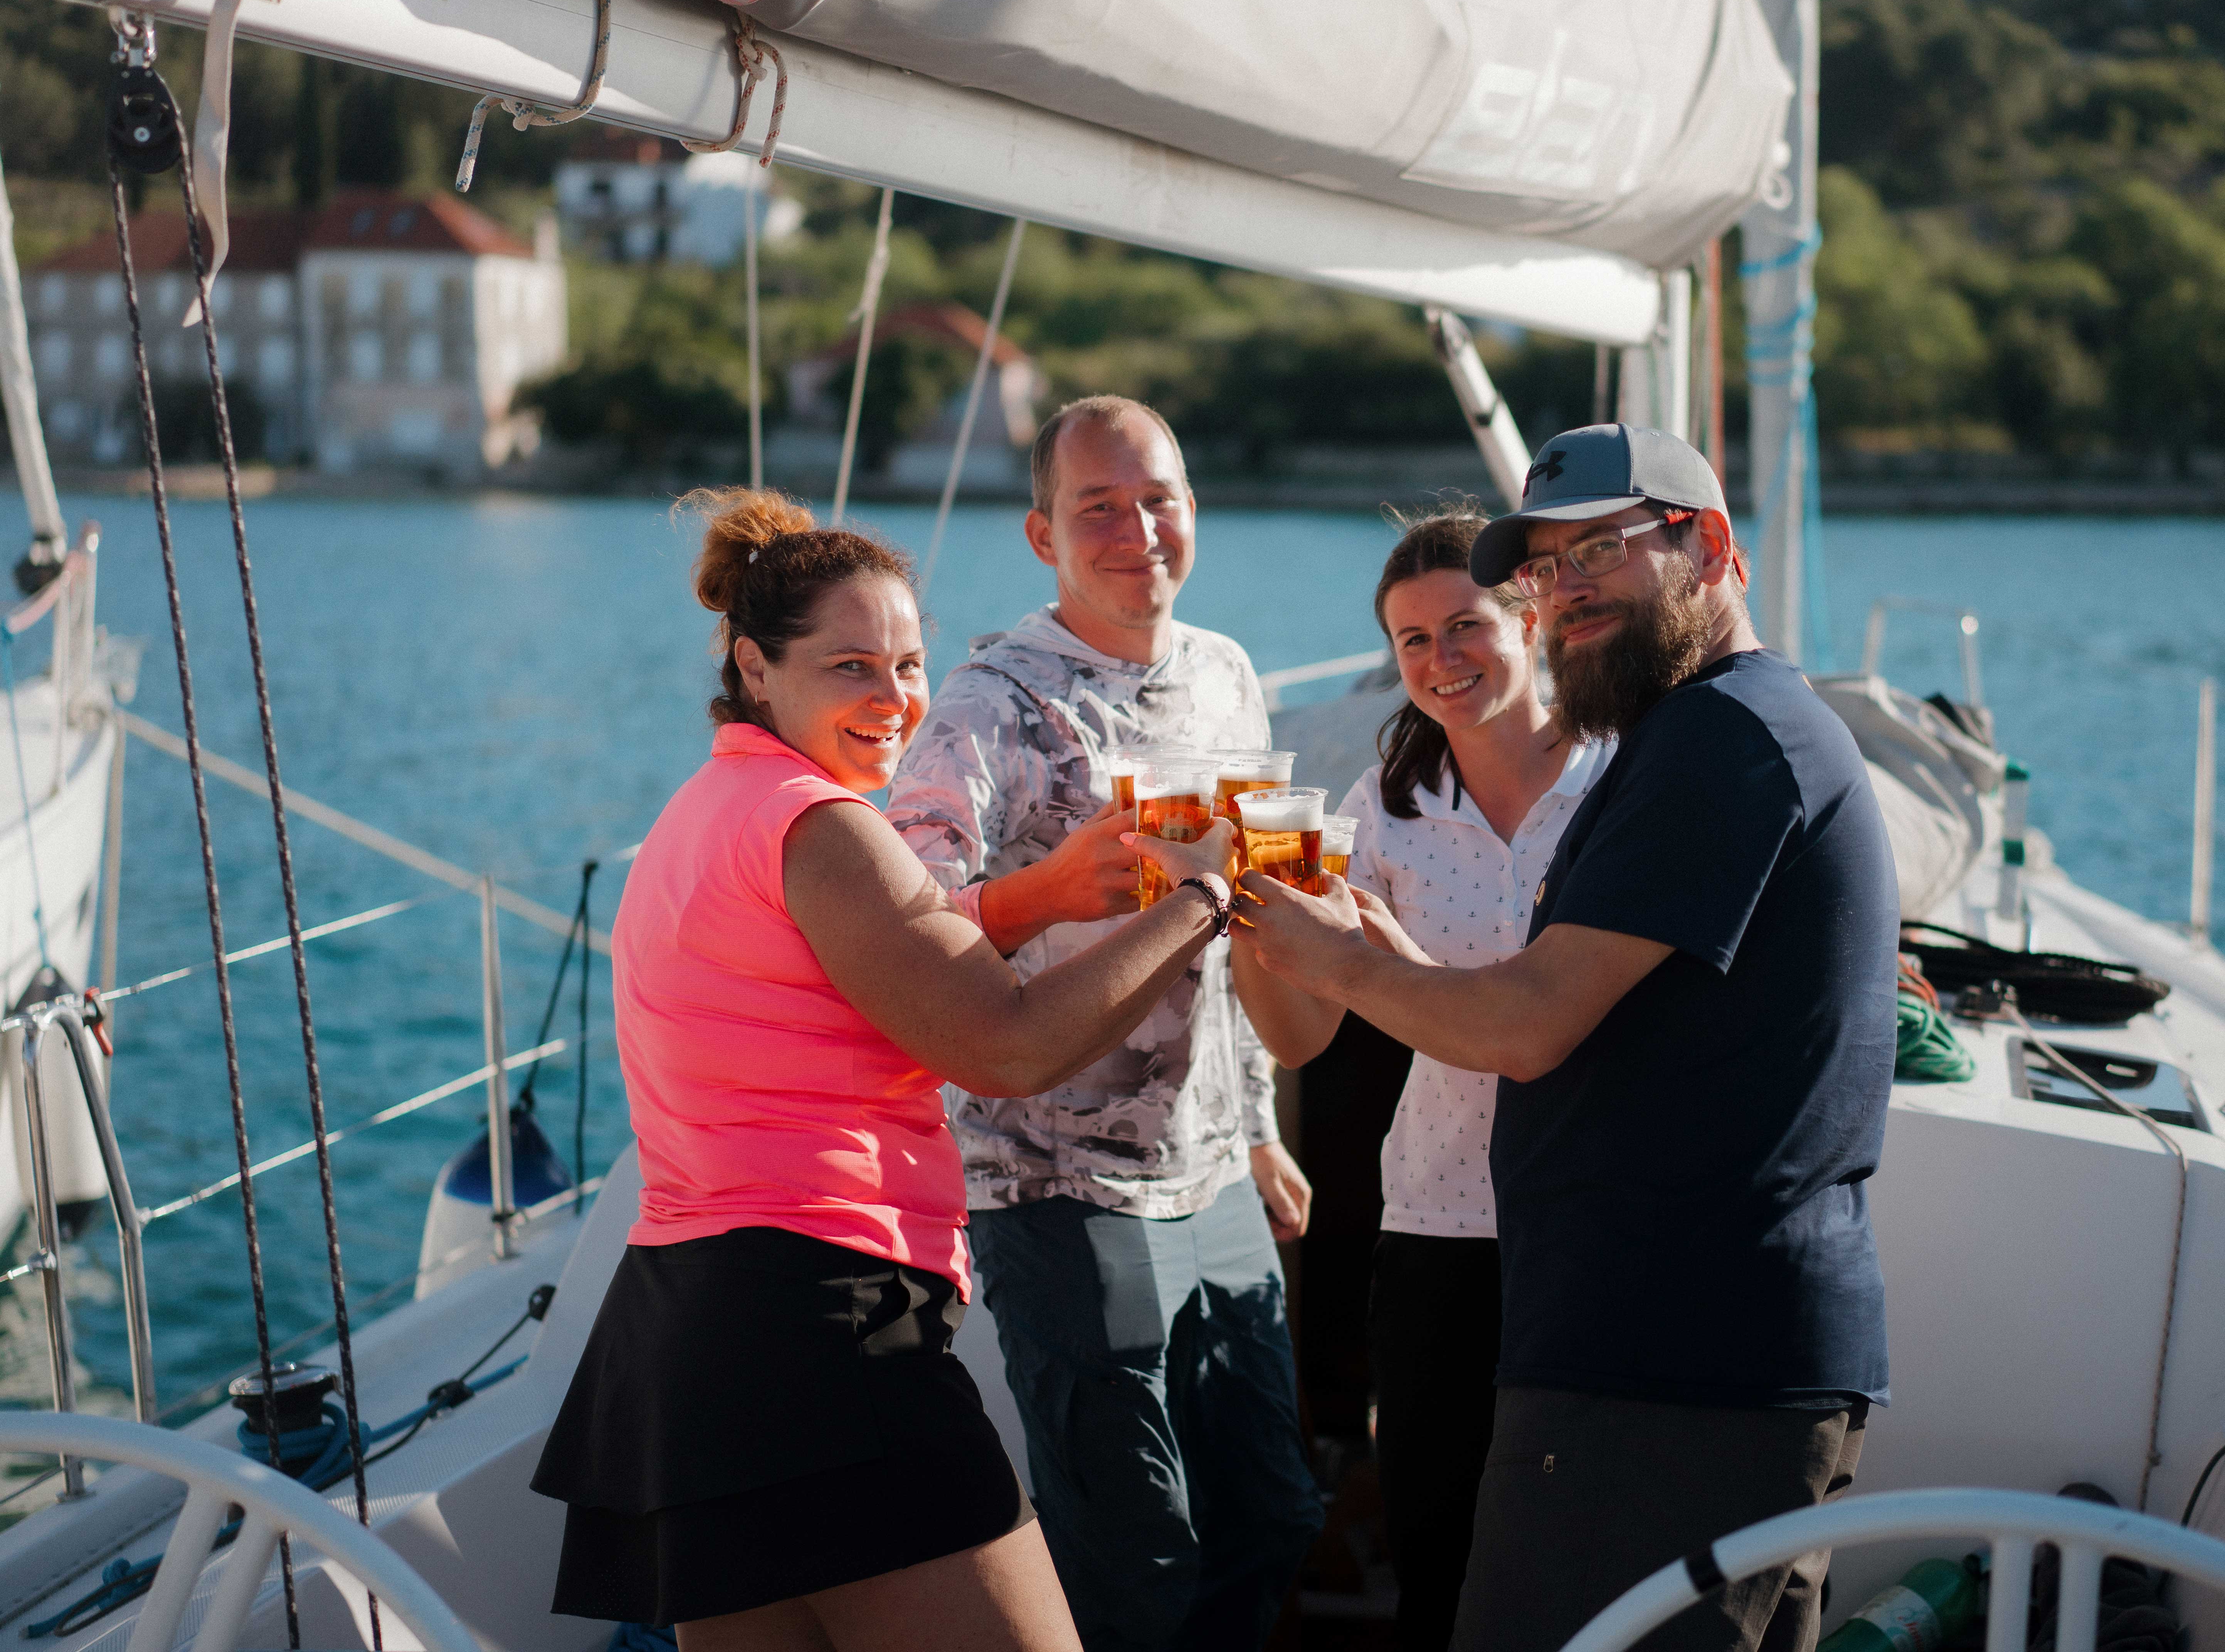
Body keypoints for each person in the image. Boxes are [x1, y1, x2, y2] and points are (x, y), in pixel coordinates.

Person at [532, 489, 1243, 1652]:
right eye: (851, 666)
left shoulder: (709, 810)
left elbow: (867, 964)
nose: (896, 698)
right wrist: (1211, 892)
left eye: (910, 665)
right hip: (822, 1332)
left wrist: (1028, 900)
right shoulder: (826, 826)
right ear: (756, 669)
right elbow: (1004, 1046)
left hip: (683, 1339)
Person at [1234, 425, 1900, 1652]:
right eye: (1546, 568)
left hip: (1672, 1365)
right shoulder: (1716, 731)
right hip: (1689, 1346)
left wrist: (1345, 958)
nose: (1567, 589)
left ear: (1710, 546)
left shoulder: (1718, 737)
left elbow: (1530, 1021)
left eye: (1601, 548)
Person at [885, 397, 1324, 1651]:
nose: (1139, 530)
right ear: (1043, 536)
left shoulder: (1226, 672)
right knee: (1135, 1555)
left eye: (1159, 499)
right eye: (1099, 508)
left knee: (1271, 1517)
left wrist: (1256, 1127)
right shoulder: (990, 703)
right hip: (1053, 1181)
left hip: (1214, 1173)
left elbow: (1236, 920)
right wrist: (1042, 891)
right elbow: (903, 928)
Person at [1233, 505, 1609, 1652]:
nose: (1440, 659)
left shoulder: (1621, 781)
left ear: (1530, 617)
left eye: (1464, 626)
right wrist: (1249, 922)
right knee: (1440, 1551)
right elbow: (1302, 1038)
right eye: (1411, 640)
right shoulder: (1383, 812)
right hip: (1439, 1226)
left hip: (1599, 1223)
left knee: (1589, 1553)